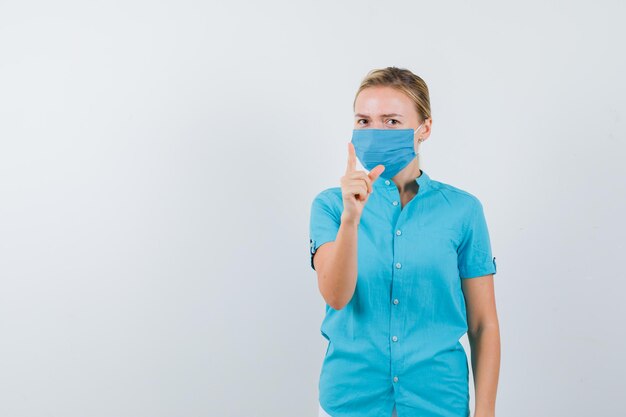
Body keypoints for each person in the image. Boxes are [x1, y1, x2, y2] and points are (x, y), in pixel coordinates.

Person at [309, 67, 500, 417]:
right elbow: (335, 295)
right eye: (364, 121)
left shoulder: (463, 210)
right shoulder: (331, 205)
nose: (375, 132)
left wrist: (485, 412)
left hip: (438, 401)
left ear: (424, 128)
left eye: (392, 121)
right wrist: (351, 220)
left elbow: (483, 323)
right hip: (350, 401)